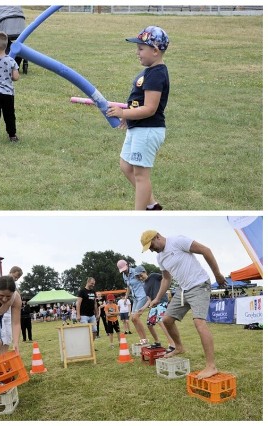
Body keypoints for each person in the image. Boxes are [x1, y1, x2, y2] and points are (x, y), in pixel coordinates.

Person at [143, 230, 225, 379]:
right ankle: (179, 347)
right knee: (167, 320)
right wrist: (157, 298)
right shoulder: (160, 258)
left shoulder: (178, 241)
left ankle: (211, 366)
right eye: (148, 248)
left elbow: (206, 251)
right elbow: (166, 279)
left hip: (199, 284)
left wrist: (217, 274)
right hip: (182, 290)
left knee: (199, 323)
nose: (151, 249)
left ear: (157, 236)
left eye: (151, 245)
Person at [105, 26, 170, 211]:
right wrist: (129, 116)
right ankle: (152, 205)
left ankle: (141, 212)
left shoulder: (157, 74)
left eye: (141, 49)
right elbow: (138, 102)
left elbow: (150, 108)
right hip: (138, 127)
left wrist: (122, 113)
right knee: (126, 166)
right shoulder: (149, 71)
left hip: (148, 129)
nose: (137, 53)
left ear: (155, 51)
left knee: (141, 175)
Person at [134, 265, 175, 352]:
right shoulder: (144, 286)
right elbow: (149, 299)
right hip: (153, 305)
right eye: (138, 277)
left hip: (162, 301)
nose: (140, 278)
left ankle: (172, 344)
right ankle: (157, 342)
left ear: (144, 272)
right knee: (149, 324)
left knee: (161, 321)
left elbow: (166, 278)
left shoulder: (153, 276)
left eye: (140, 275)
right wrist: (143, 308)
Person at [117, 259, 150, 345]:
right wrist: (126, 298)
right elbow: (128, 287)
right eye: (122, 270)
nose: (124, 271)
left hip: (142, 296)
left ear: (127, 265)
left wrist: (149, 294)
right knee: (133, 319)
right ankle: (142, 339)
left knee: (136, 317)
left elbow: (145, 279)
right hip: (135, 298)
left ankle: (145, 339)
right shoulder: (124, 275)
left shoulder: (135, 271)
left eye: (124, 269)